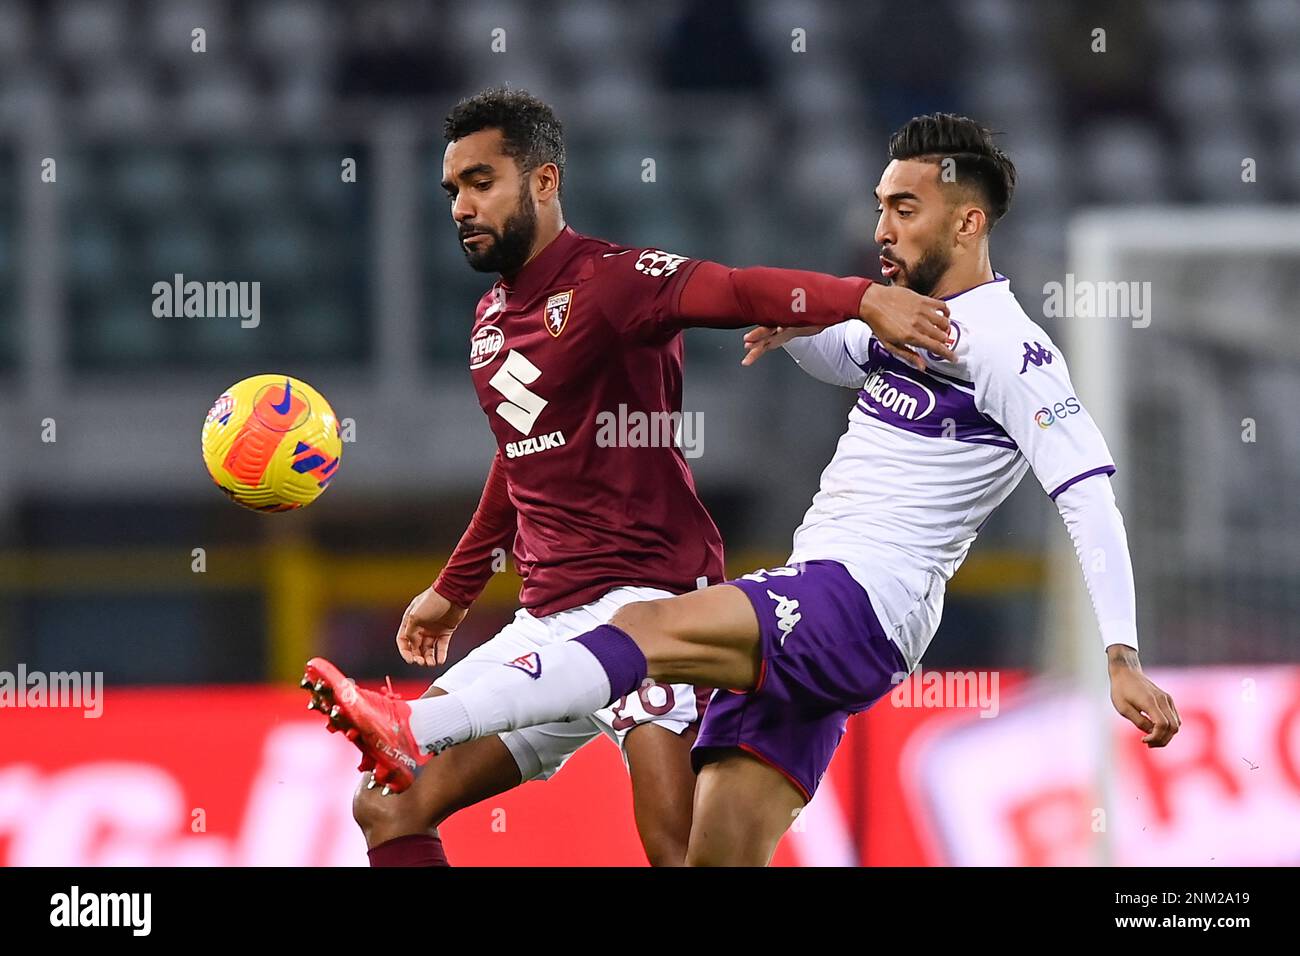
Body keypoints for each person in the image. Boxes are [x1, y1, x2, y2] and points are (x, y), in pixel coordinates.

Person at [333, 89, 954, 867]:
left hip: (647, 606)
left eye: (481, 181)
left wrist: (862, 299)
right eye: (452, 189)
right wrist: (454, 591)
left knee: (681, 850)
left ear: (544, 181)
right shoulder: (490, 319)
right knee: (388, 802)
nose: (462, 205)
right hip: (545, 621)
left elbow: (735, 289)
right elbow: (518, 457)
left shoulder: (615, 281)